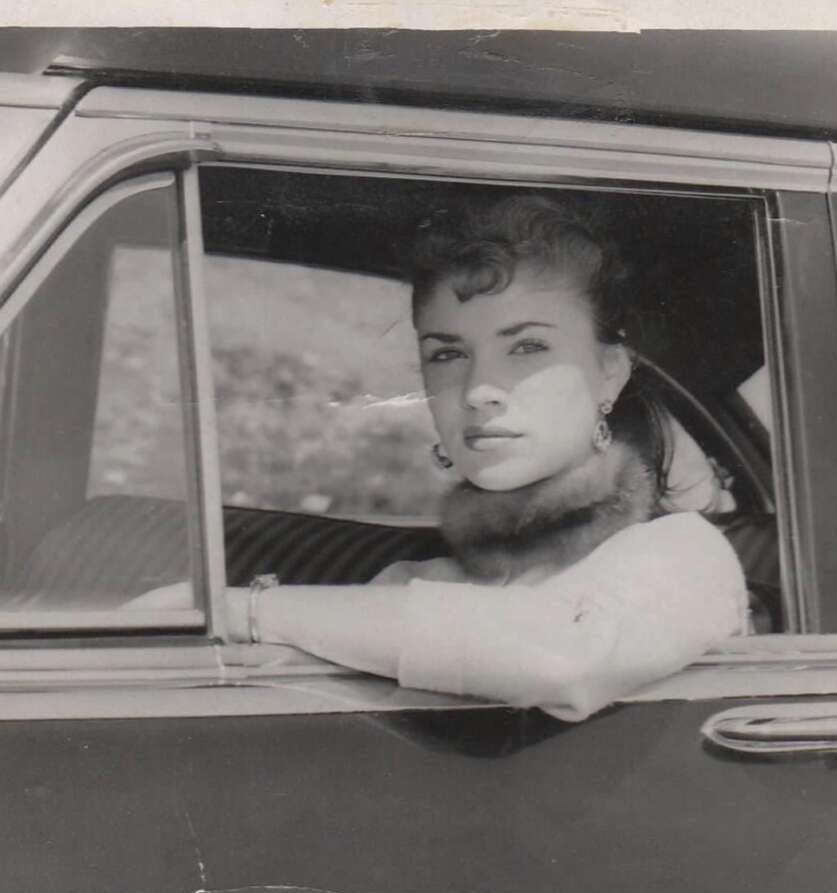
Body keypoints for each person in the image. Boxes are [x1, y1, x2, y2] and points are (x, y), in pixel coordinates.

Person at [134, 194, 749, 721]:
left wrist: (245, 609)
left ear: (609, 372)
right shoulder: (413, 585)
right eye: (447, 354)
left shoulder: (685, 557)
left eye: (528, 347)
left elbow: (556, 654)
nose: (480, 389)